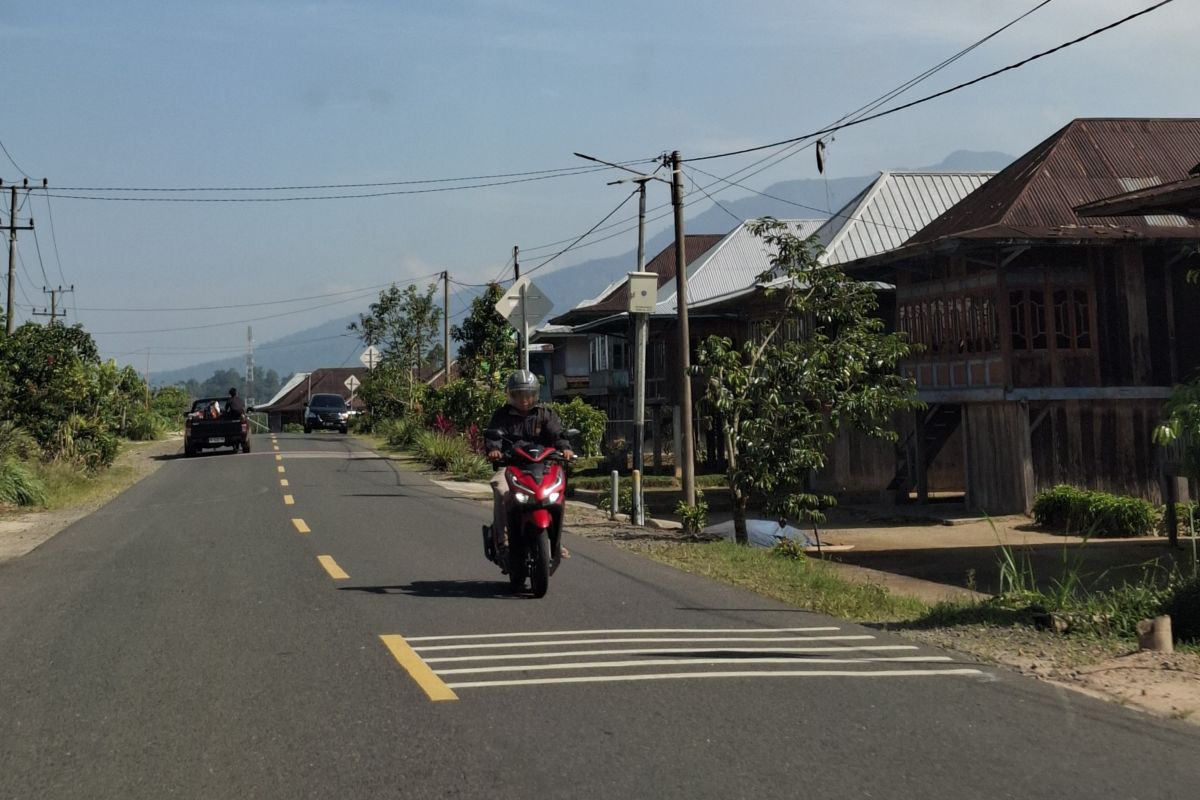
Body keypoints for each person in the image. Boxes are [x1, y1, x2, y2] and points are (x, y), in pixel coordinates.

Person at [485, 370, 574, 561]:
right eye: (519, 395)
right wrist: (494, 450)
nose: (524, 400)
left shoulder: (545, 414)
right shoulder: (502, 415)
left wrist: (565, 448)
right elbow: (494, 436)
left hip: (543, 467)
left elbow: (557, 435)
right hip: (512, 466)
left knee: (557, 495)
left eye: (528, 395)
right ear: (511, 395)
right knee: (501, 490)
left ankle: (555, 540)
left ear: (535, 395)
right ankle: (503, 541)